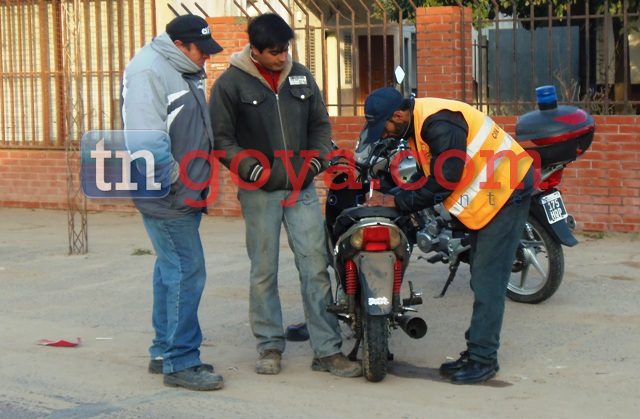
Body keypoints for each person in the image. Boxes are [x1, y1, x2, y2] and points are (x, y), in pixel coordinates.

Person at [209, 13, 361, 378]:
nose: (282, 57)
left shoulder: (301, 76)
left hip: (302, 187)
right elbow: (222, 139)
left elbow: (320, 126)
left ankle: (327, 350)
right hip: (258, 191)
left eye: (285, 50)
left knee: (315, 267)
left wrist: (315, 162)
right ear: (255, 50)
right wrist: (251, 169)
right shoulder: (230, 84)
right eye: (274, 52)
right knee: (264, 270)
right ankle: (270, 346)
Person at [362, 87, 534, 385]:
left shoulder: (439, 123)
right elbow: (429, 173)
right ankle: (477, 349)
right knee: (481, 275)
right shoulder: (418, 124)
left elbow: (445, 180)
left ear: (398, 115)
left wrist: (398, 201)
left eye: (385, 126)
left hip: (507, 191)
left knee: (488, 280)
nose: (385, 134)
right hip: (491, 195)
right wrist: (395, 193)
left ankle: (484, 360)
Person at [121, 14, 224, 391]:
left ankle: (165, 350)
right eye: (201, 50)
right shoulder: (149, 71)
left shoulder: (181, 68)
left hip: (185, 190)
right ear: (180, 45)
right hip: (168, 192)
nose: (206, 57)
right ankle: (181, 361)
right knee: (186, 269)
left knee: (170, 269)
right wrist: (175, 180)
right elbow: (144, 139)